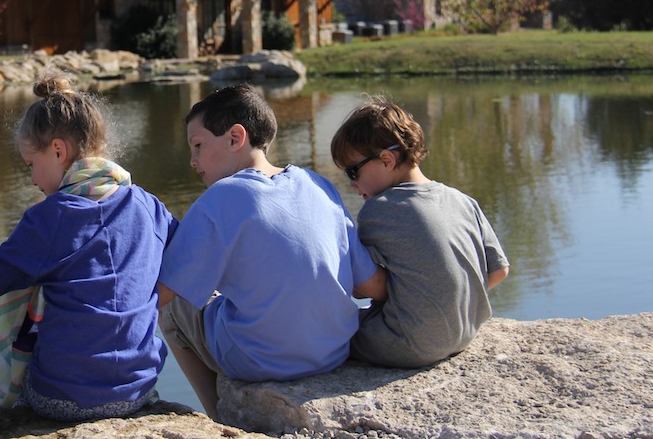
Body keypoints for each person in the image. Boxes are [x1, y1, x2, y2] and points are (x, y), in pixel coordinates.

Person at [158, 83, 383, 419]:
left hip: (257, 361)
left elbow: (160, 295)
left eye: (198, 145)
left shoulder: (219, 199)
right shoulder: (317, 184)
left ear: (236, 138)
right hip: (333, 352)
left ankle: (217, 416)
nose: (192, 161)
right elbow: (368, 286)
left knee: (173, 308)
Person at [0, 76, 177, 421]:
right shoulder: (148, 205)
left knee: (15, 289)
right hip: (138, 388)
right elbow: (186, 257)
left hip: (62, 397)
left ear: (58, 151)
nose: (32, 179)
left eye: (31, 165)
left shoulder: (51, 216)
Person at [330, 96, 510, 368]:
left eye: (352, 172)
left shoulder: (379, 209)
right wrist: (451, 301)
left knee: (328, 329)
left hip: (408, 343)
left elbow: (364, 286)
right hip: (466, 333)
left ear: (387, 160)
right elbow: (499, 271)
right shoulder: (461, 200)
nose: (352, 185)